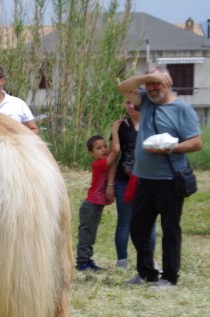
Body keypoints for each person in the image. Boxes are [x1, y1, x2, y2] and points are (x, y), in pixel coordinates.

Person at [117, 67, 202, 288]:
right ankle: (146, 273)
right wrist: (147, 77)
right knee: (138, 228)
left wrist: (170, 148)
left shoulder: (181, 109)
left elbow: (196, 142)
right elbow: (122, 87)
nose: (153, 88)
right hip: (144, 179)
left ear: (168, 82)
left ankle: (170, 278)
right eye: (150, 84)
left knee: (170, 230)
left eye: (158, 83)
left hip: (169, 181)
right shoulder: (145, 100)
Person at [105, 100, 157, 271]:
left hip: (148, 180)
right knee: (124, 223)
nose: (129, 106)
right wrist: (110, 184)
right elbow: (114, 156)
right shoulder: (120, 126)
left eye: (133, 103)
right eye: (127, 103)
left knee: (150, 224)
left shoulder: (153, 123)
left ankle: (149, 260)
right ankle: (122, 261)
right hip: (123, 181)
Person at [76, 134, 118, 271]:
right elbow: (116, 152)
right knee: (86, 233)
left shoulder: (104, 161)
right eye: (99, 148)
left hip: (96, 205)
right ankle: (82, 262)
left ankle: (87, 259)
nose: (104, 149)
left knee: (91, 233)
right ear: (91, 153)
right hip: (91, 205)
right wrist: (115, 132)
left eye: (105, 146)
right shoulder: (98, 164)